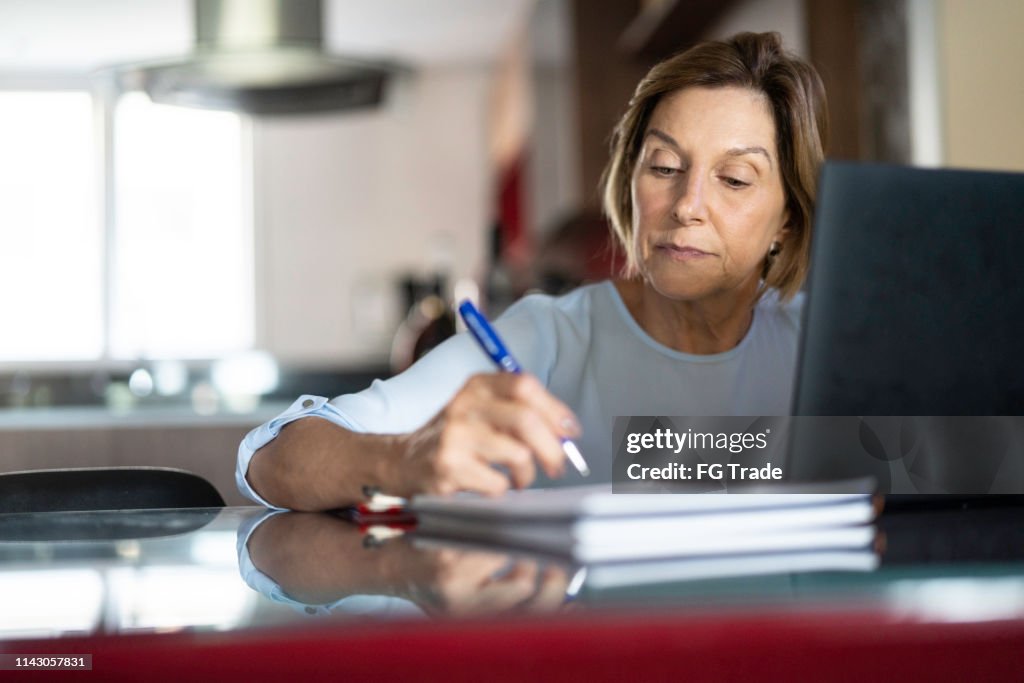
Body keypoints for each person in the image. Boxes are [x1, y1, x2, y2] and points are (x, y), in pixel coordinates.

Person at [237, 31, 828, 511]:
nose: (686, 205)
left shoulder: (825, 346)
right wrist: (400, 460)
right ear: (631, 184)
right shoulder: (547, 339)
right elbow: (268, 456)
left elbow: (911, 465)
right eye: (665, 166)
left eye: (734, 179)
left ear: (786, 220)